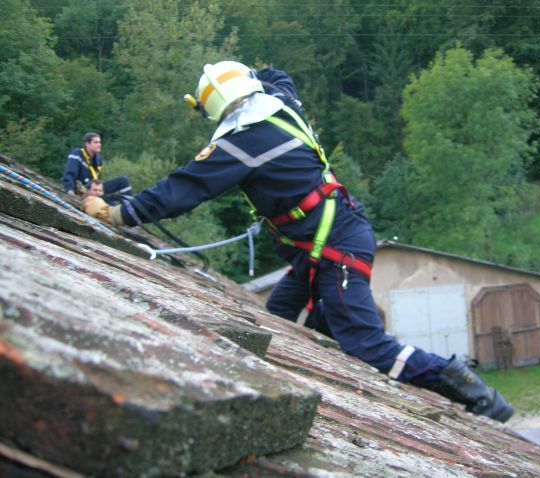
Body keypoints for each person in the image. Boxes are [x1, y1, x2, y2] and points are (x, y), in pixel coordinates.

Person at [81, 61, 514, 422]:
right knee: (280, 317)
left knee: (367, 344)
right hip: (329, 243)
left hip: (335, 249)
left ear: (212, 109)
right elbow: (280, 76)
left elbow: (182, 188)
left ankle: (476, 395)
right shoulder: (282, 105)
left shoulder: (239, 143)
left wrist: (119, 214)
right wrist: (251, 69)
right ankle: (314, 362)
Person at [62, 132, 131, 204]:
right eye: (96, 142)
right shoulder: (77, 153)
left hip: (96, 190)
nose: (99, 145)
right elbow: (69, 173)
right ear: (87, 144)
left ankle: (129, 205)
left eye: (99, 142)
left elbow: (98, 180)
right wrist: (70, 189)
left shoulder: (98, 159)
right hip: (84, 190)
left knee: (123, 181)